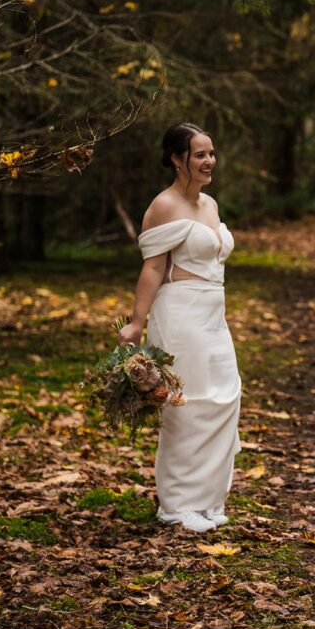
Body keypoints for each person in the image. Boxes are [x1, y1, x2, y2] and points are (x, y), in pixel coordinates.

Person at [118, 122, 241, 533]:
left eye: (211, 153)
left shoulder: (211, 205)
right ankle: (176, 503)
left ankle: (208, 499)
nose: (209, 162)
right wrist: (138, 321)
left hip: (213, 314)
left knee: (224, 399)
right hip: (181, 315)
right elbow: (153, 268)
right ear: (176, 159)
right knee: (186, 405)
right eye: (200, 154)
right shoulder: (163, 206)